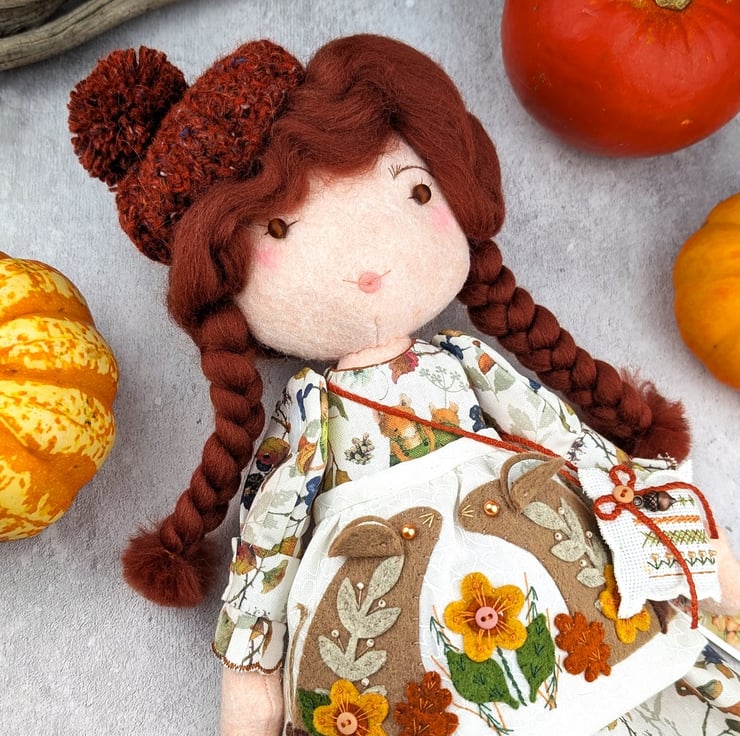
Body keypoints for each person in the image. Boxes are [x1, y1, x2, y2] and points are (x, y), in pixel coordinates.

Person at [69, 34, 737, 736]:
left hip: (546, 559)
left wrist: (687, 543)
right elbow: (270, 536)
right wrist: (251, 675)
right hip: (382, 600)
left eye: (414, 192)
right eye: (283, 230)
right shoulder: (311, 410)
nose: (370, 258)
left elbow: (570, 442)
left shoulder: (464, 358)